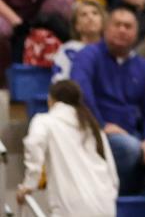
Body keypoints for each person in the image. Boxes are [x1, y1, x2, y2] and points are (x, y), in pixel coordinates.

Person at [72, 6, 145, 194]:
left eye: (128, 26)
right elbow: (80, 93)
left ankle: (142, 201)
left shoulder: (144, 67)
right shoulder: (87, 55)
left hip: (132, 133)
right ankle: (116, 197)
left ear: (136, 33)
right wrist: (101, 126)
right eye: (117, 25)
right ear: (106, 28)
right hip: (96, 132)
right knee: (128, 148)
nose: (122, 30)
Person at [17, 79, 120, 217]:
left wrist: (29, 184)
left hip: (71, 209)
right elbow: (112, 175)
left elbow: (34, 144)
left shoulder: (44, 121)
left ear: (51, 100)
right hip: (106, 206)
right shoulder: (93, 127)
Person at [52, 0, 106, 80]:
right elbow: (59, 80)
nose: (90, 17)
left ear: (103, 22)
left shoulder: (111, 49)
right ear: (77, 26)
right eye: (84, 15)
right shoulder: (69, 49)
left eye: (95, 13)